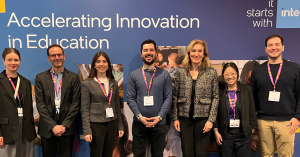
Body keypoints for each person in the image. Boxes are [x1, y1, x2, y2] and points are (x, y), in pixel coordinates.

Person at [250, 34, 300, 157]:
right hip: (263, 121)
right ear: (266, 49)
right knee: (266, 154)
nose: (273, 47)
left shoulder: (295, 68)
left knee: (285, 155)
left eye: (277, 44)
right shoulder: (258, 70)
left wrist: (297, 117)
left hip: (287, 121)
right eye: (270, 45)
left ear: (283, 47)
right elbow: (252, 97)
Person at [172, 39, 219, 157]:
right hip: (184, 119)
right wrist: (175, 118)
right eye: (193, 51)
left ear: (204, 54)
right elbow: (175, 96)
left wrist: (211, 120)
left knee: (201, 154)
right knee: (187, 153)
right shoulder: (181, 72)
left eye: (199, 51)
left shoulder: (211, 72)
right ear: (189, 53)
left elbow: (215, 97)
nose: (196, 54)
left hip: (203, 120)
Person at [127, 39, 172, 157]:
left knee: (158, 155)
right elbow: (130, 98)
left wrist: (159, 117)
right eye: (145, 50)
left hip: (159, 123)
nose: (149, 52)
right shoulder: (134, 75)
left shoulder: (164, 74)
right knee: (139, 155)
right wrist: (140, 117)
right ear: (141, 53)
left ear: (156, 53)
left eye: (151, 50)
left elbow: (168, 97)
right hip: (139, 123)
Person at [35, 44, 81, 157]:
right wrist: (53, 126)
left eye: (59, 54)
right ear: (48, 58)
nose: (57, 58)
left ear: (64, 56)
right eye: (53, 55)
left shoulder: (73, 77)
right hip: (47, 128)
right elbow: (40, 104)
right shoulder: (40, 78)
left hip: (67, 128)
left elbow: (76, 103)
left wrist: (64, 125)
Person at [81, 51, 124, 157]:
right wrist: (87, 130)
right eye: (98, 61)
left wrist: (120, 126)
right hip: (96, 125)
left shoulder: (113, 82)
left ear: (108, 65)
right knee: (96, 154)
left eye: (104, 61)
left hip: (112, 123)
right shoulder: (87, 84)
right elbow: (85, 108)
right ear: (94, 65)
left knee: (108, 153)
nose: (101, 64)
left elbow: (116, 106)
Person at [214, 62, 257, 157]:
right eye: (227, 74)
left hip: (244, 134)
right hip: (225, 134)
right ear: (223, 76)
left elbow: (252, 111)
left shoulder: (247, 90)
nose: (230, 76)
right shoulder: (219, 92)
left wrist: (251, 130)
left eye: (233, 73)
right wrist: (216, 131)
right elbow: (215, 112)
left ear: (237, 74)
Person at [0, 48, 36, 157]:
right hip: (6, 132)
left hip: (26, 131)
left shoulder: (25, 82)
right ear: (3, 61)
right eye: (9, 60)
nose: (13, 63)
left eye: (16, 60)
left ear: (20, 61)